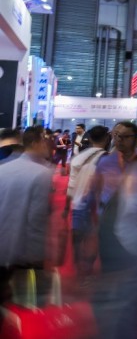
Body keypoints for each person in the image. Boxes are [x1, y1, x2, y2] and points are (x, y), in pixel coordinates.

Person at [92, 122, 137, 339]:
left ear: (135, 139)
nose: (119, 140)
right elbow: (94, 194)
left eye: (124, 136)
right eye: (116, 135)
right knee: (111, 280)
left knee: (132, 286)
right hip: (107, 231)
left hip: (135, 233)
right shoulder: (104, 162)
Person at [0, 126, 52, 306]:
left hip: (4, 247)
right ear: (36, 142)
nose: (49, 144)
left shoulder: (4, 169)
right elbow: (37, 221)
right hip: (22, 253)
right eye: (45, 140)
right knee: (26, 303)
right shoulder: (42, 174)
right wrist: (38, 259)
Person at [65, 125, 110, 278]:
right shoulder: (109, 159)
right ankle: (88, 268)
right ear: (107, 139)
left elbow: (71, 186)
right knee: (94, 237)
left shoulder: (79, 158)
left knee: (78, 237)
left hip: (78, 203)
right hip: (98, 207)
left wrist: (66, 208)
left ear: (89, 138)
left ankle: (79, 267)